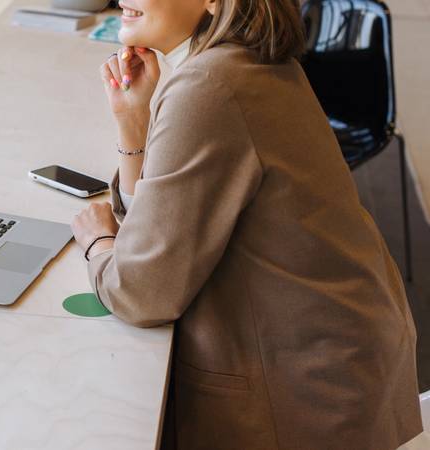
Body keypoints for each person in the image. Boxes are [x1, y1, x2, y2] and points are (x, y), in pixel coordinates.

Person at [71, 0, 423, 448]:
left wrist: (98, 242)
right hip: (345, 361)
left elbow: (140, 291)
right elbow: (157, 228)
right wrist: (132, 122)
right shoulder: (238, 61)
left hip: (306, 394)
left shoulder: (210, 85)